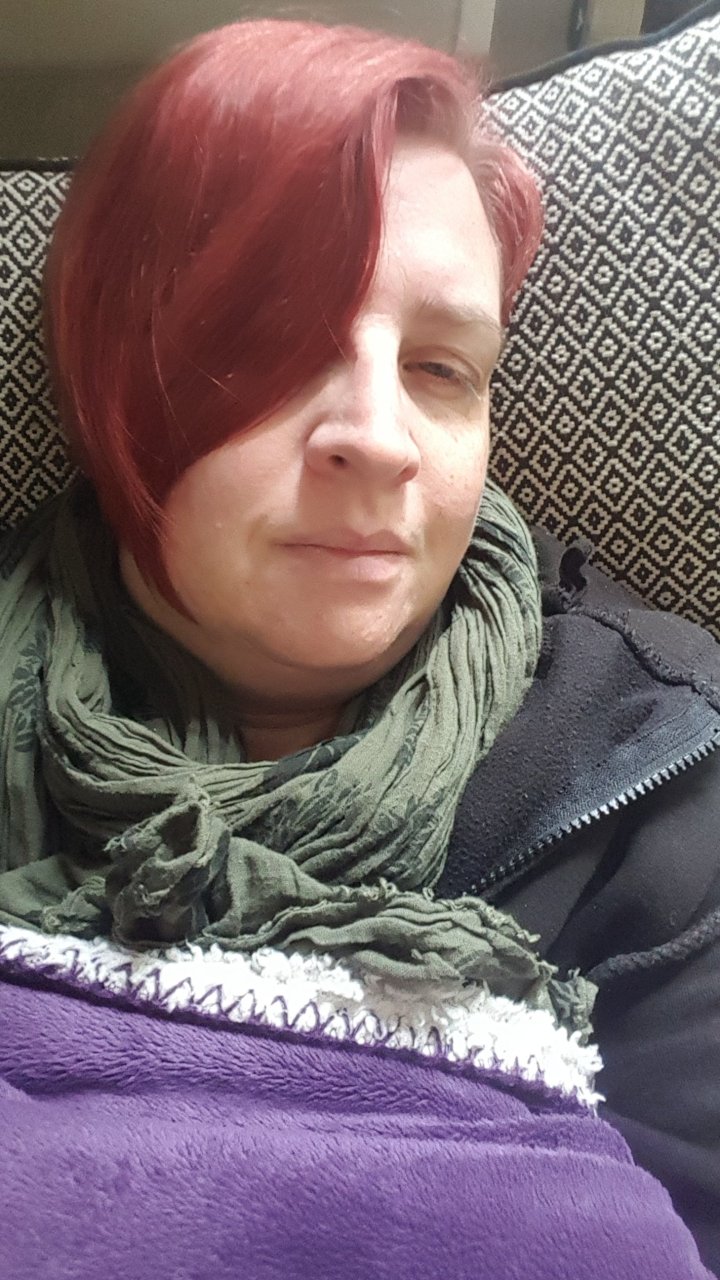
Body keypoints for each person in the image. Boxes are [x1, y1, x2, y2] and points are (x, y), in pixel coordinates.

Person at [0, 17, 718, 1278]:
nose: (378, 437)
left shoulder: (665, 784)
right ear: (110, 370)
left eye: (440, 367)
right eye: (269, 344)